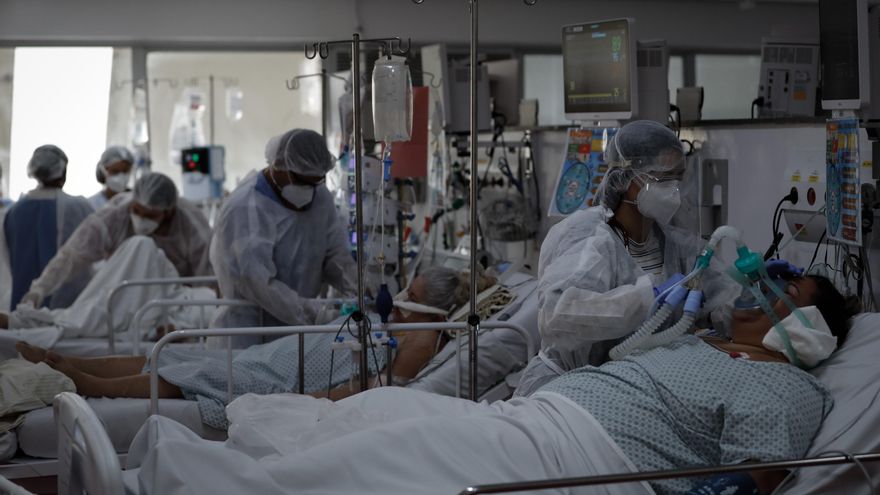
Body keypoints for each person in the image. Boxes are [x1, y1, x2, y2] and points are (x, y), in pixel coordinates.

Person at [120, 274, 857, 495]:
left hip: (578, 462)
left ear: (810, 330)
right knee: (374, 410)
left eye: (784, 284)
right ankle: (193, 467)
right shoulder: (705, 340)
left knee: (385, 451)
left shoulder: (787, 388)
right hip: (538, 419)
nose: (761, 286)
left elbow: (745, 485)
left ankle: (182, 480)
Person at [15, 266, 499, 428]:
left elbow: (374, 386)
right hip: (283, 354)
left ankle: (87, 382)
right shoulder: (399, 323)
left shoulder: (424, 337)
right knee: (189, 355)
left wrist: (307, 401)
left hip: (289, 378)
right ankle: (75, 361)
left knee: (205, 377)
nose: (398, 301)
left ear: (436, 312)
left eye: (410, 298)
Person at [515, 120, 741, 396]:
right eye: (661, 178)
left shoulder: (680, 247)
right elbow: (559, 317)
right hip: (566, 390)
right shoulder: (588, 236)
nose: (673, 190)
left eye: (677, 178)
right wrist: (649, 298)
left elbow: (727, 303)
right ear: (626, 178)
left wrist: (755, 292)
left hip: (632, 392)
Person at [209, 129, 356, 346]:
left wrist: (360, 289)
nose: (308, 190)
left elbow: (335, 256)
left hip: (297, 331)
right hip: (247, 332)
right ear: (278, 165)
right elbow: (259, 284)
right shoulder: (244, 209)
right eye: (302, 181)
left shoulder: (320, 197)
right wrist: (316, 314)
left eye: (315, 182)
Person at [13, 172, 212, 312]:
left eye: (150, 215)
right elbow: (72, 255)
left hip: (173, 303)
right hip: (121, 299)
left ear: (168, 212)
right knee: (80, 317)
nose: (140, 219)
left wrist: (188, 320)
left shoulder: (191, 225)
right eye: (136, 211)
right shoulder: (115, 217)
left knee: (142, 246)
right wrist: (39, 290)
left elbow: (209, 283)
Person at [4, 145, 94, 309]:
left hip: (21, 307)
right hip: (67, 309)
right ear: (63, 172)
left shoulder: (14, 212)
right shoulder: (78, 207)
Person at [88, 146, 134, 210]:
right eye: (115, 171)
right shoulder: (91, 204)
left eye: (125, 171)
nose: (121, 176)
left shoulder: (138, 202)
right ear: (103, 170)